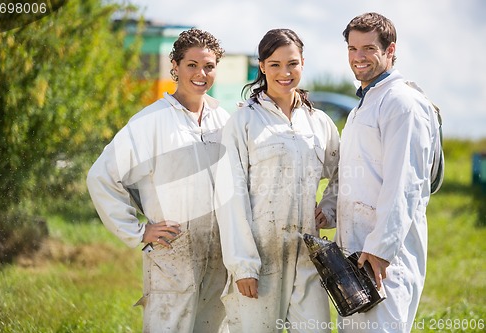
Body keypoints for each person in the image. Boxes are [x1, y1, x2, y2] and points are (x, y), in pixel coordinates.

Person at [86, 28, 230, 333]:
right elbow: (101, 176)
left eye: (209, 66)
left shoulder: (223, 120)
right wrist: (138, 231)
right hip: (172, 254)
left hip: (218, 256)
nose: (201, 73)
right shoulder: (151, 121)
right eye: (191, 65)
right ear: (175, 67)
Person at [214, 28, 340, 332]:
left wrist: (328, 207)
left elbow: (342, 174)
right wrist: (243, 264)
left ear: (303, 63)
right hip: (260, 258)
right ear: (262, 66)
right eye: (275, 64)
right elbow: (230, 195)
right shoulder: (244, 121)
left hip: (309, 257)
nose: (285, 72)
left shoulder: (318, 122)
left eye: (292, 64)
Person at [335, 12, 441, 332]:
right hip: (355, 251)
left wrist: (382, 248)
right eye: (352, 49)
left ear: (390, 50)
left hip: (385, 259)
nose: (358, 57)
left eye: (368, 48)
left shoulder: (401, 102)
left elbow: (405, 182)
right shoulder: (365, 103)